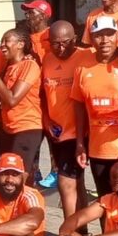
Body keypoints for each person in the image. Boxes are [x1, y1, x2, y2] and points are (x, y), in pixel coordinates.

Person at [71, 17, 118, 197]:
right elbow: (79, 106)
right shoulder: (82, 67)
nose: (104, 40)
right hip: (99, 150)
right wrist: (80, 144)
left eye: (109, 34)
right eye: (99, 35)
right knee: (106, 201)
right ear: (91, 39)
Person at [0, 28, 43, 179]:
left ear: (20, 44)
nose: (2, 45)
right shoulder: (8, 68)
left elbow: (12, 99)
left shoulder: (29, 65)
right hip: (8, 128)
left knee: (16, 177)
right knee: (4, 176)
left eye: (7, 41)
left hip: (27, 127)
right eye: (1, 41)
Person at [40, 20, 87, 213]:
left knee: (65, 183)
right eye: (55, 43)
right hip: (58, 133)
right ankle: (81, 227)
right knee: (76, 183)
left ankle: (69, 230)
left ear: (74, 39)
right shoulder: (47, 59)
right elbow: (43, 95)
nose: (60, 48)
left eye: (65, 42)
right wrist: (46, 121)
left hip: (82, 132)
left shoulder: (86, 56)